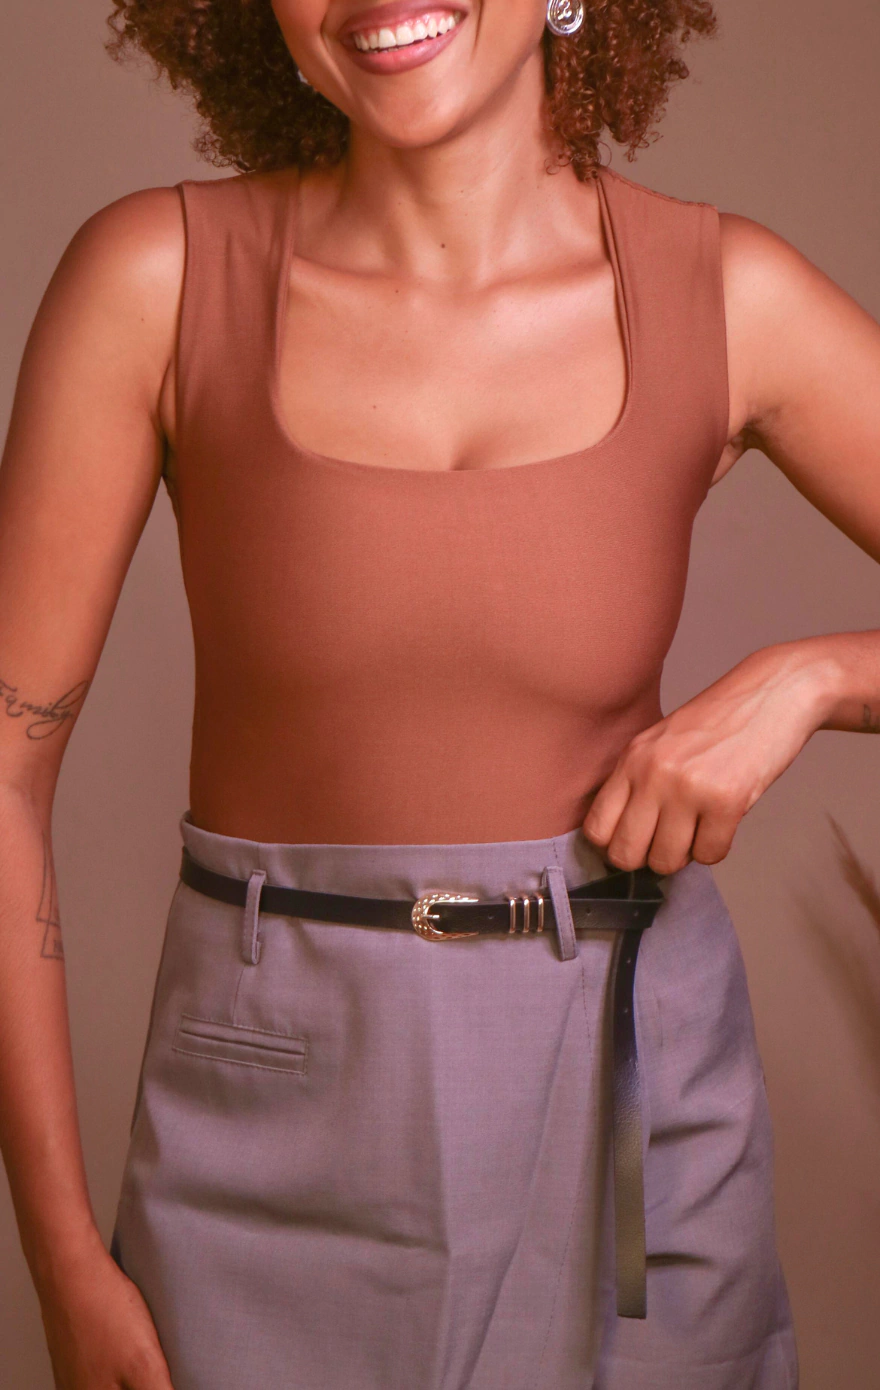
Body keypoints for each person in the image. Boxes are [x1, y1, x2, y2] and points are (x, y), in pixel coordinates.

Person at [1, 0, 879, 1385]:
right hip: (261, 1112)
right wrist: (60, 1255)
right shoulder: (154, 280)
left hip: (633, 1121)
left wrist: (813, 677)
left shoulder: (724, 294)